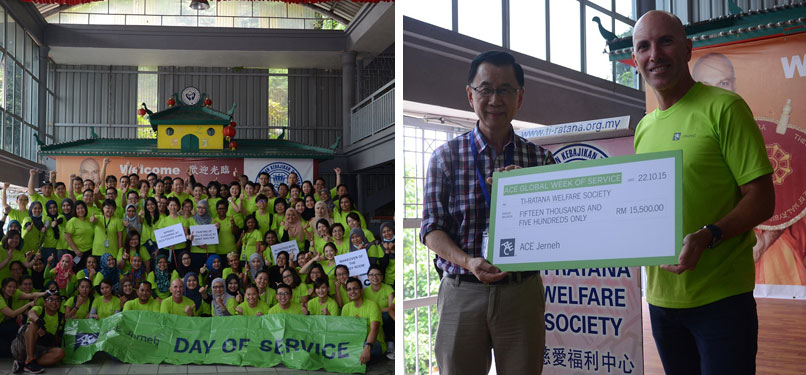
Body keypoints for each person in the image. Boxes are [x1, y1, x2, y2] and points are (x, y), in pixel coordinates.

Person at [631, 11, 775, 374]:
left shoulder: (725, 108)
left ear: (688, 49)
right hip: (662, 301)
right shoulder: (644, 128)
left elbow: (762, 198)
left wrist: (709, 235)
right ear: (635, 61)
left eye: (665, 41)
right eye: (644, 47)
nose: (655, 54)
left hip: (721, 300)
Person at [420, 50, 554, 374]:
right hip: (462, 291)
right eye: (486, 89)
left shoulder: (541, 161)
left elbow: (555, 227)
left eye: (506, 89)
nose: (495, 99)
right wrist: (468, 261)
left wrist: (526, 193)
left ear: (520, 98)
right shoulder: (444, 158)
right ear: (470, 95)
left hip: (521, 292)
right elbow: (431, 230)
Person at [10, 290, 66, 374]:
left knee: (60, 353)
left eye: (57, 300)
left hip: (39, 348)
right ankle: (29, 360)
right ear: (44, 303)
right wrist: (38, 321)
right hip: (21, 345)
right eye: (51, 299)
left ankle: (24, 364)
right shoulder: (39, 309)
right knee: (32, 325)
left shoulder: (61, 317)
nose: (54, 302)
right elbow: (31, 313)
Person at [341, 277, 383, 365]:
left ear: (362, 290)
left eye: (355, 288)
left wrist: (367, 347)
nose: (352, 291)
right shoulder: (346, 308)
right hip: (354, 342)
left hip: (372, 343)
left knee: (362, 349)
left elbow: (374, 329)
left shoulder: (373, 306)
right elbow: (343, 331)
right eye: (349, 289)